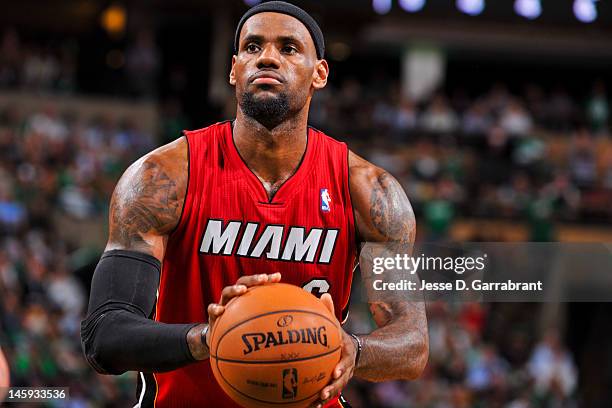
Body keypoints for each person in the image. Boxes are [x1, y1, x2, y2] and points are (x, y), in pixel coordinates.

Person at [80, 2, 428, 407]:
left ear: (320, 74)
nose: (267, 57)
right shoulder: (162, 178)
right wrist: (208, 338)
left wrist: (354, 350)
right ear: (233, 70)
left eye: (289, 48)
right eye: (252, 47)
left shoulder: (370, 192)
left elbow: (413, 344)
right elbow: (104, 335)